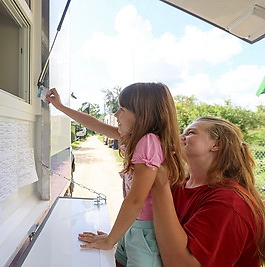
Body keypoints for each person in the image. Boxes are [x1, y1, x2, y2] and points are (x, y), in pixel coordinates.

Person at [46, 83, 185, 266]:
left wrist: (110, 239)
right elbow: (94, 124)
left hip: (144, 234)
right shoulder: (136, 137)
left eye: (122, 109)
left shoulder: (148, 141)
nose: (116, 114)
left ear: (142, 115)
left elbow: (136, 199)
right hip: (133, 228)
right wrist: (61, 107)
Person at [151, 116, 265, 266]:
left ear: (216, 145)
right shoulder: (179, 185)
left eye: (190, 133)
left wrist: (160, 185)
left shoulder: (229, 202)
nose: (180, 138)